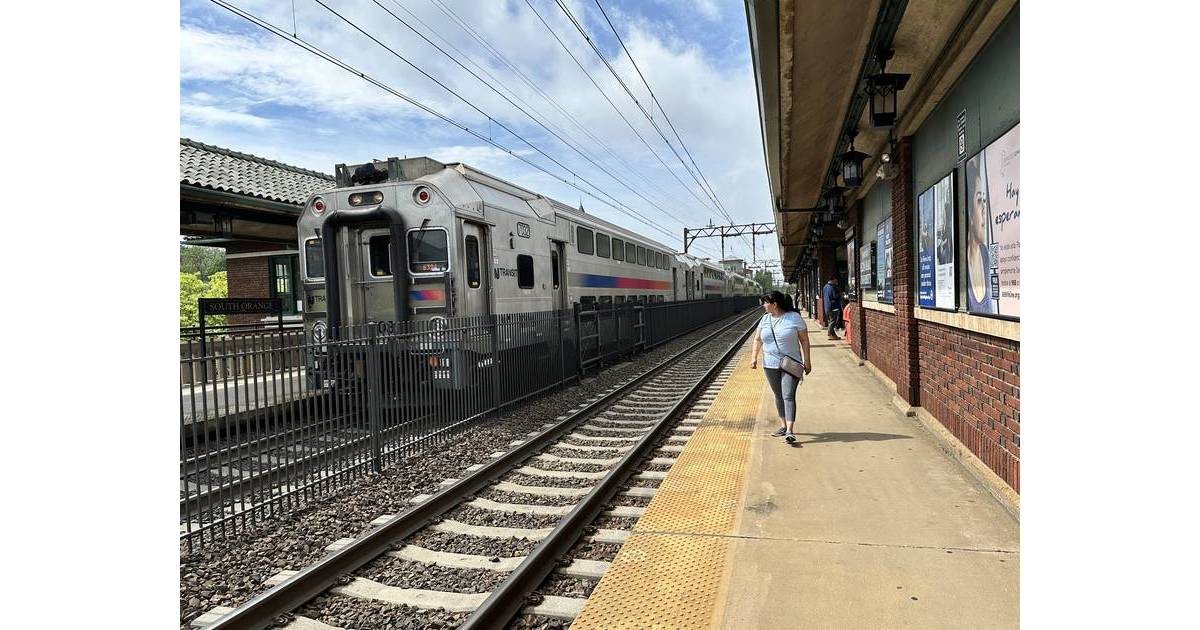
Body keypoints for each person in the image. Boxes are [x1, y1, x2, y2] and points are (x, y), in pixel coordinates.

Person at [750, 291, 811, 444]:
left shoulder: (794, 318)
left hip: (791, 363)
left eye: (765, 302)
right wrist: (754, 358)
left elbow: (804, 340)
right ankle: (783, 426)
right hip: (769, 364)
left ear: (774, 304)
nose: (763, 305)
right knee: (778, 396)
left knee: (788, 395)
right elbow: (757, 340)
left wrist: (807, 361)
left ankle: (790, 430)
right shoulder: (764, 319)